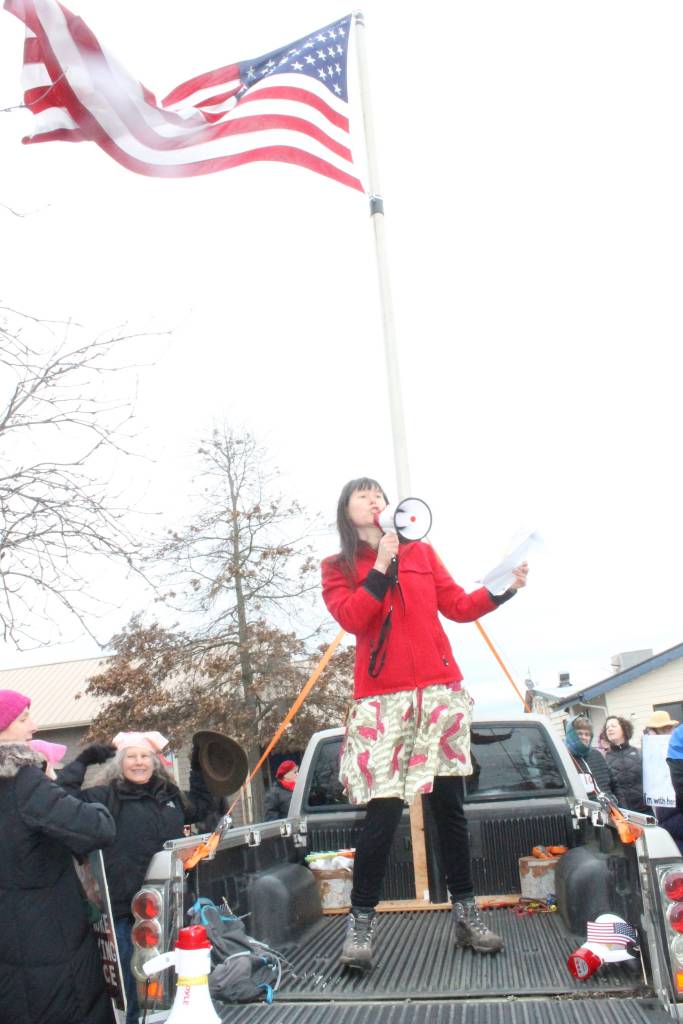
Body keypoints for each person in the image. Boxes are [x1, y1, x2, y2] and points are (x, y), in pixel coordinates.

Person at [321, 478, 528, 970]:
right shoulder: (338, 567)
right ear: (346, 511)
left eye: (380, 496)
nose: (376, 502)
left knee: (450, 811)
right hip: (383, 701)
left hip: (439, 692)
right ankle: (361, 925)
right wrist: (381, 565)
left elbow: (457, 606)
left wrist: (504, 588)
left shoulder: (423, 552)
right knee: (383, 815)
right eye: (363, 496)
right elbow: (353, 618)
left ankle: (465, 914)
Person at [59, 729, 213, 1024]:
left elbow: (202, 806)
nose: (139, 762)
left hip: (169, 908)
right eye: (131, 757)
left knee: (171, 985)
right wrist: (86, 759)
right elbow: (64, 798)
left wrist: (199, 764)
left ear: (155, 762)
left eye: (145, 756)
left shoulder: (170, 796)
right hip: (123, 913)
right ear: (119, 763)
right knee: (132, 992)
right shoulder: (104, 797)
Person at [0, 690, 116, 1024]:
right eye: (22, 719)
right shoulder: (24, 782)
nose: (32, 726)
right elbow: (97, 829)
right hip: (50, 946)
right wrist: (60, 786)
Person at [599, 715, 649, 814]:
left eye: (613, 726)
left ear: (624, 729)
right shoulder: (603, 759)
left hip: (645, 811)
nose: (610, 729)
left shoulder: (639, 753)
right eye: (607, 727)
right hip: (620, 814)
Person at [564, 715, 614, 801]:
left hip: (610, 809)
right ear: (571, 735)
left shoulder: (596, 755)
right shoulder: (564, 758)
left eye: (587, 734)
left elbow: (613, 784)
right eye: (579, 733)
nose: (584, 737)